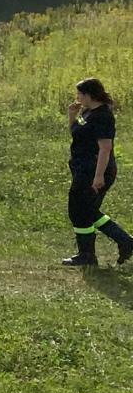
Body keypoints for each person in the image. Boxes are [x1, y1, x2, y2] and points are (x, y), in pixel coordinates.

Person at [62, 77, 132, 266]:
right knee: (84, 210)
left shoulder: (102, 116)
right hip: (82, 169)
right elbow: (78, 135)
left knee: (80, 210)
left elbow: (105, 148)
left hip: (95, 170)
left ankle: (91, 253)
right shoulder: (87, 112)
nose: (77, 97)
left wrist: (99, 175)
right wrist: (72, 116)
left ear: (89, 95)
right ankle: (114, 245)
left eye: (79, 94)